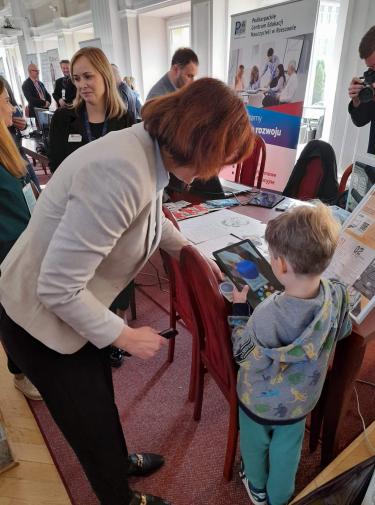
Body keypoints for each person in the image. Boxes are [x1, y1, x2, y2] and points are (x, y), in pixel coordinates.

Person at [0, 77, 254, 505]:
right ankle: (118, 497)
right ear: (200, 144)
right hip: (38, 319)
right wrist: (127, 336)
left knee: (99, 396)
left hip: (72, 306)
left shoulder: (145, 148)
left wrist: (189, 248)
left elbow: (149, 218)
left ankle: (118, 461)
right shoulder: (121, 170)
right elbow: (57, 288)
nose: (216, 172)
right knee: (88, 418)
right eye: (220, 160)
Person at [230, 204, 351, 505]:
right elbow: (343, 330)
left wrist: (238, 314)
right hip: (300, 401)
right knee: (288, 448)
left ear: (281, 266)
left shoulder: (265, 314)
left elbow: (245, 357)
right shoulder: (337, 294)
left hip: (259, 400)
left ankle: (256, 486)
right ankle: (280, 497)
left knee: (255, 444)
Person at [0, 79, 42, 401]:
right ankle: (20, 371)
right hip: (8, 251)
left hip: (25, 240)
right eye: (5, 100)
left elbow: (26, 185)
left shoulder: (8, 139)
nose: (12, 106)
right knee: (11, 313)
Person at [48, 47, 134, 173]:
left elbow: (131, 168)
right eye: (77, 79)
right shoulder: (62, 118)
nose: (82, 85)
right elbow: (56, 166)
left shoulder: (125, 119)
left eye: (88, 77)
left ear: (105, 76)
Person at [0, 75, 41, 191]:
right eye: (7, 101)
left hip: (17, 150)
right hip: (8, 152)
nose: (12, 108)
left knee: (32, 186)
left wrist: (24, 126)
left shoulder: (4, 83)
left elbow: (17, 115)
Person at [348, 25, 375, 154]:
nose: (373, 70)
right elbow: (360, 121)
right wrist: (357, 101)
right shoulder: (372, 77)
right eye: (370, 67)